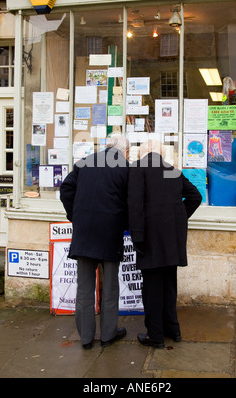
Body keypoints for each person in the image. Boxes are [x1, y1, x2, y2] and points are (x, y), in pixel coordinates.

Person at [128, 140, 202, 349]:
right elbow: (195, 196)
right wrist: (179, 218)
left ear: (143, 154)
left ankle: (156, 336)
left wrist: (137, 237)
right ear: (160, 154)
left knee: (152, 289)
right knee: (169, 286)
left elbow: (135, 206)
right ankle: (173, 330)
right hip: (172, 239)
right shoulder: (172, 171)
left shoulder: (138, 169)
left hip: (149, 239)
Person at [60, 134, 130, 349]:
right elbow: (131, 199)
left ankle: (86, 338)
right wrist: (125, 222)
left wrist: (75, 216)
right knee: (110, 287)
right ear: (123, 150)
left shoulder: (84, 163)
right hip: (110, 233)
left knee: (84, 288)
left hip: (84, 233)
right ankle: (108, 335)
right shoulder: (125, 167)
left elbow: (65, 190)